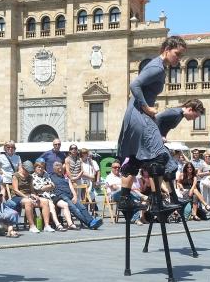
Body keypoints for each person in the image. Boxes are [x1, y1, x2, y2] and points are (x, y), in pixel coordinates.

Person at [116, 36, 186, 215]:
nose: (178, 59)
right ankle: (157, 202)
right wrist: (147, 107)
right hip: (139, 115)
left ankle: (124, 200)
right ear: (167, 50)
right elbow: (135, 84)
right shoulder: (156, 67)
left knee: (136, 158)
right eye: (177, 54)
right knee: (160, 156)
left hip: (136, 115)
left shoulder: (159, 67)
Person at [50, 162, 101, 229]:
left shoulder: (65, 177)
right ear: (54, 169)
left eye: (60, 166)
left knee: (82, 207)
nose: (59, 167)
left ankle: (92, 221)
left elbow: (71, 187)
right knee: (75, 209)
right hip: (62, 195)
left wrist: (75, 195)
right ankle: (89, 223)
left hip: (70, 195)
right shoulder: (51, 176)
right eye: (57, 166)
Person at [9, 160, 54, 233]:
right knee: (28, 202)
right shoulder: (16, 176)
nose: (28, 173)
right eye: (27, 171)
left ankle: (46, 225)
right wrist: (27, 197)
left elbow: (32, 190)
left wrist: (35, 195)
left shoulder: (30, 177)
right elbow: (16, 190)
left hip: (28, 196)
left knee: (45, 201)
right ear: (23, 168)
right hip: (17, 197)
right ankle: (32, 226)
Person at [31, 160, 68, 231]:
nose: (40, 169)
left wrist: (46, 187)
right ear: (35, 168)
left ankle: (70, 224)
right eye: (38, 167)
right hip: (42, 196)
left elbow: (53, 185)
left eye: (42, 167)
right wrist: (48, 186)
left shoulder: (46, 174)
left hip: (51, 195)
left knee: (65, 204)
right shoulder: (33, 177)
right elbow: (39, 188)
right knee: (51, 205)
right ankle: (57, 224)